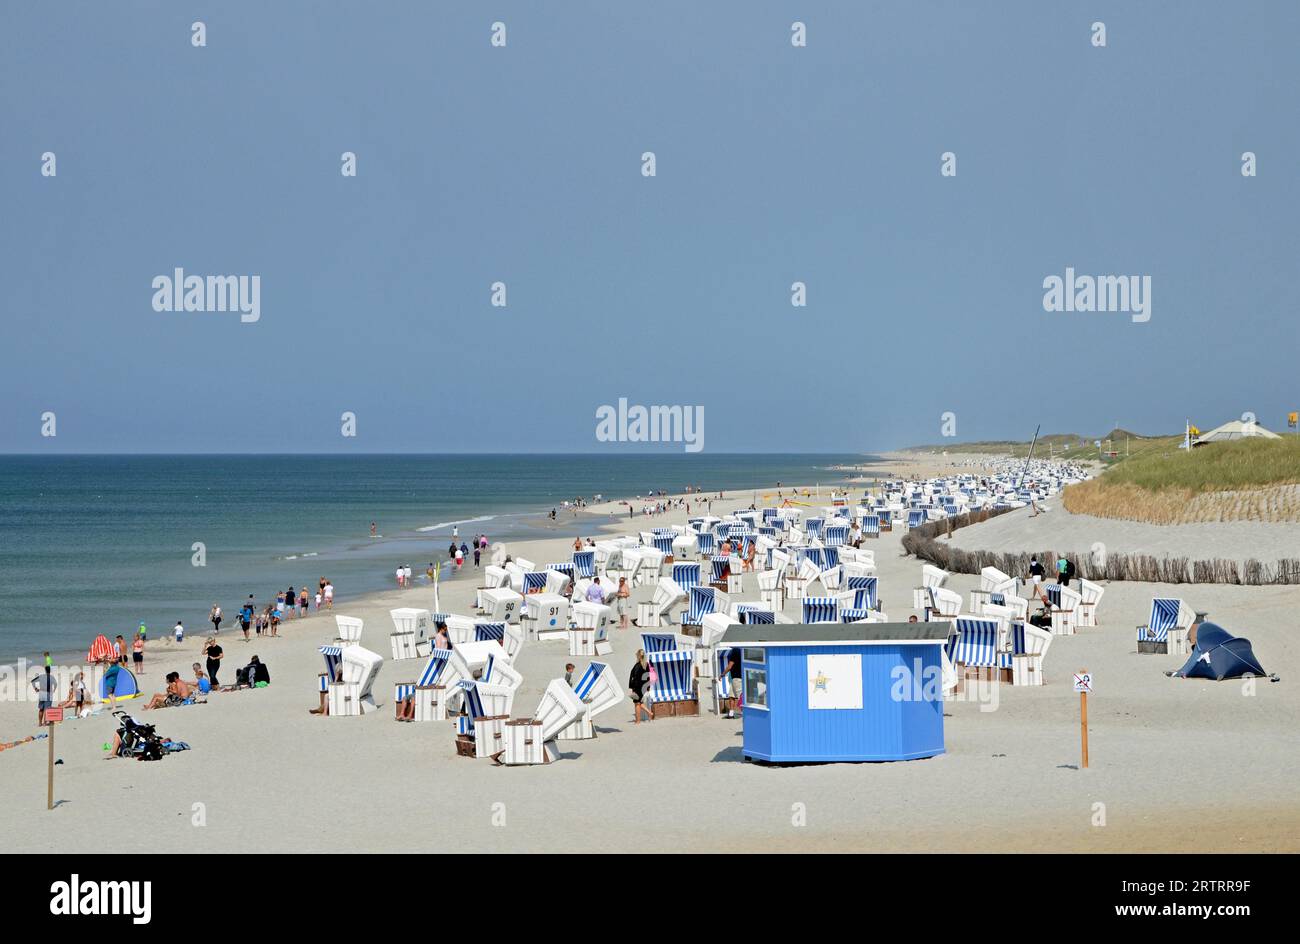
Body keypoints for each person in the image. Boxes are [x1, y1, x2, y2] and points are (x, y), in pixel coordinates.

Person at [629, 650, 652, 724]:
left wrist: (632, 687)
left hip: (637, 686)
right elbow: (648, 677)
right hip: (644, 686)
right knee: (639, 702)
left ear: (639, 656)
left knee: (636, 703)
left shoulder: (637, 665)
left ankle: (638, 721)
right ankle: (649, 713)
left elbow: (634, 677)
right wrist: (648, 687)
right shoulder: (646, 664)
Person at [723, 647, 743, 719]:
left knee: (741, 697)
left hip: (737, 678)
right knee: (731, 696)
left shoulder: (735, 651)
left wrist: (722, 674)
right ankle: (731, 713)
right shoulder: (739, 650)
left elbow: (729, 666)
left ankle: (744, 713)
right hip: (733, 678)